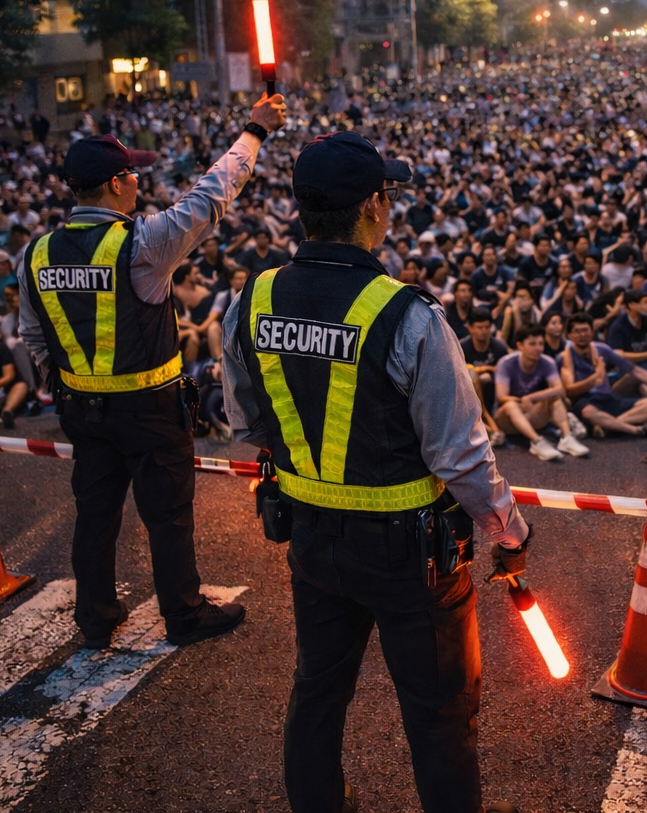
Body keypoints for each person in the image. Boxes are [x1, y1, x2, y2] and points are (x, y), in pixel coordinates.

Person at [220, 131, 530, 813]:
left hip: (310, 542)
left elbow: (244, 424)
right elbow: (461, 456)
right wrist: (509, 533)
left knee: (318, 689)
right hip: (408, 554)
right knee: (440, 712)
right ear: (375, 206)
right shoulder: (407, 315)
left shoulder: (254, 299)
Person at [19, 95, 284, 650]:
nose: (139, 181)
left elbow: (34, 336)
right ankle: (183, 616)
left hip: (81, 412)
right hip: (150, 409)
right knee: (167, 517)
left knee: (94, 516)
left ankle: (94, 616)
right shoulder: (141, 245)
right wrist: (254, 132)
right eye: (133, 173)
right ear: (116, 184)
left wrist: (69, 385)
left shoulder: (36, 254)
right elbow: (212, 195)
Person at [558, 312, 647, 438]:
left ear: (592, 332)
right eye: (577, 331)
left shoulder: (602, 349)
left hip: (609, 399)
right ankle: (636, 430)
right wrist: (595, 377)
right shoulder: (565, 358)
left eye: (585, 330)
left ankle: (608, 425)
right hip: (587, 401)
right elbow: (569, 390)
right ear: (569, 335)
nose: (582, 335)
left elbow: (635, 370)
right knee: (589, 413)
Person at [493, 324, 591, 461]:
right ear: (520, 346)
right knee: (510, 405)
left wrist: (531, 397)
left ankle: (566, 438)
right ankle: (537, 442)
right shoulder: (506, 363)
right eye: (532, 344)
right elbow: (501, 396)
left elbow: (560, 390)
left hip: (532, 410)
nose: (538, 348)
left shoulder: (547, 362)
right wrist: (522, 401)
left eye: (540, 344)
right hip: (507, 419)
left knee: (555, 398)